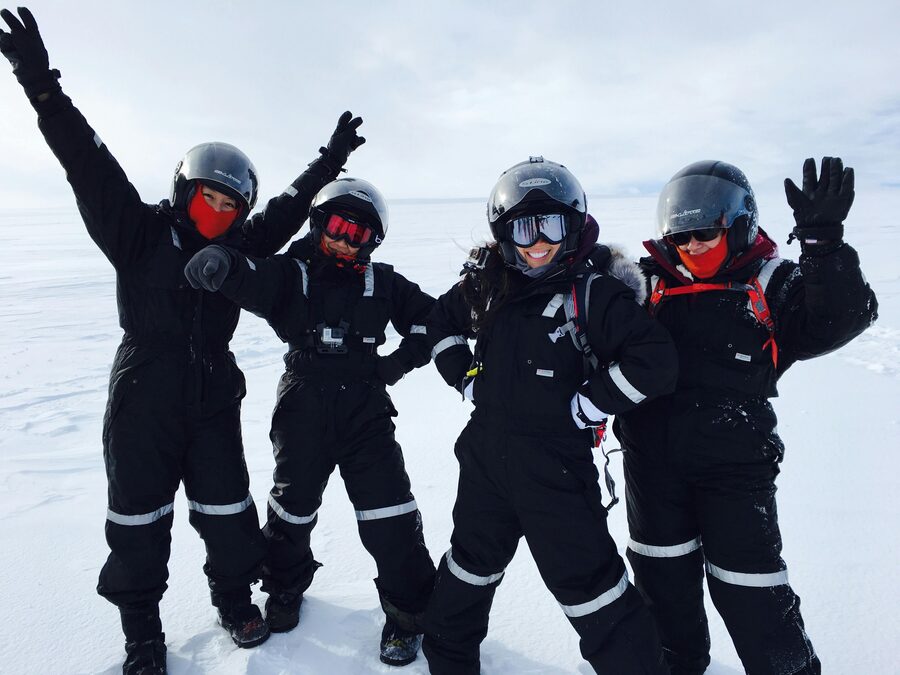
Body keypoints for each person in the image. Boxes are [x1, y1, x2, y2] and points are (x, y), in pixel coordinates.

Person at [0, 7, 365, 674]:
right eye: (209, 198)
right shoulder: (137, 233)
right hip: (143, 389)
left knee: (228, 510)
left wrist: (329, 161)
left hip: (213, 392)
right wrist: (41, 85)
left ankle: (232, 598)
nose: (220, 213)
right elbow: (88, 161)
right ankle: (143, 633)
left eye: (232, 205)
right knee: (139, 521)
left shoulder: (241, 248)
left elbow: (285, 210)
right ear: (184, 189)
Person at [614, 158, 878, 674]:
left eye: (705, 233)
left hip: (734, 467)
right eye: (681, 235)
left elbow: (842, 317)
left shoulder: (771, 279)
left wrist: (823, 246)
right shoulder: (646, 282)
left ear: (737, 225)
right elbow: (585, 311)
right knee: (661, 580)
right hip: (652, 465)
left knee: (750, 589)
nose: (691, 246)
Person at [421, 156, 679, 674]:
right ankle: (448, 660)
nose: (537, 241)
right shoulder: (490, 284)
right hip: (485, 462)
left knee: (590, 586)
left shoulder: (594, 293)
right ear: (504, 233)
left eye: (551, 225)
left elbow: (656, 362)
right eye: (523, 226)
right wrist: (465, 378)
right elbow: (440, 323)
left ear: (574, 225)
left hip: (555, 469)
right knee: (468, 566)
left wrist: (593, 401)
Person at [184, 177, 437, 666]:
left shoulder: (383, 281)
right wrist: (225, 263)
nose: (345, 239)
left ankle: (407, 615)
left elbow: (433, 319)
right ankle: (283, 590)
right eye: (338, 226)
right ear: (319, 223)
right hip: (303, 402)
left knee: (389, 512)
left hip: (366, 407)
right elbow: (252, 274)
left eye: (359, 233)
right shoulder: (290, 273)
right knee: (292, 509)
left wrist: (397, 363)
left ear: (374, 241)